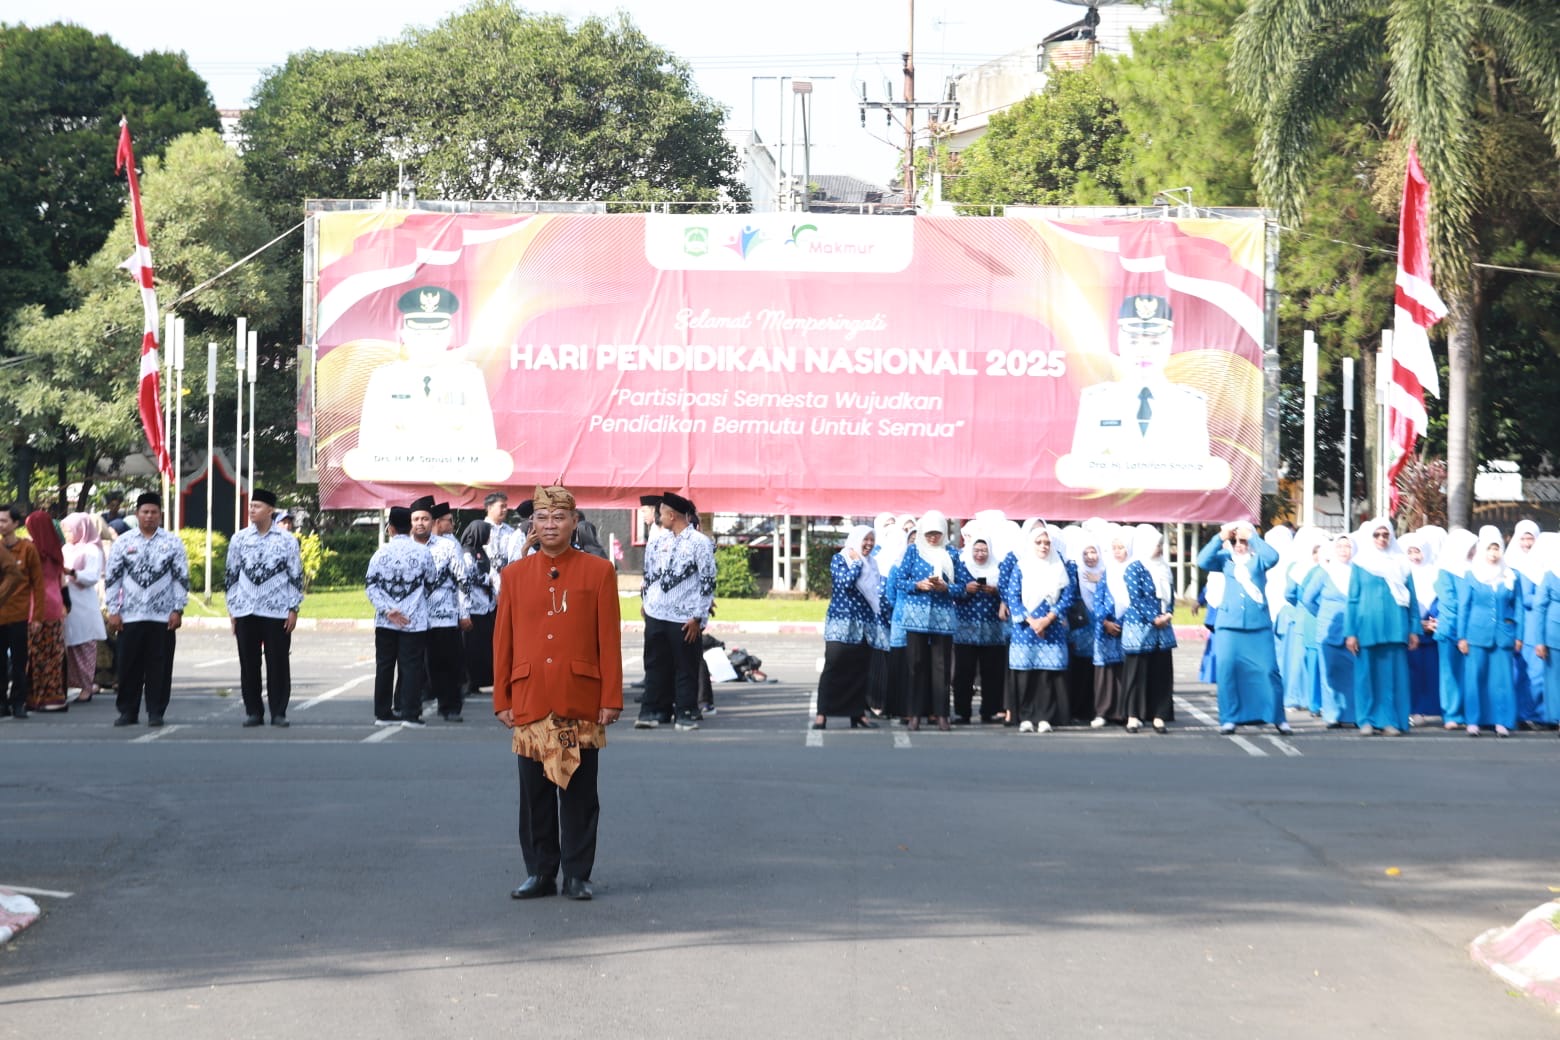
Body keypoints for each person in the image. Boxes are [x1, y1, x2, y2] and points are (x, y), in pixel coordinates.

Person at [494, 484, 622, 902]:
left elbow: (609, 639)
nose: (550, 525)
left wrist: (611, 698)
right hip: (530, 697)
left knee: (580, 793)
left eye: (559, 518)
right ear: (533, 523)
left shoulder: (598, 572)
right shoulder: (514, 575)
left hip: (579, 697)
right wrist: (502, 698)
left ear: (574, 522)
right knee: (534, 795)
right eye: (543, 518)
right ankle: (539, 872)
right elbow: (503, 642)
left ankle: (578, 874)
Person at [103, 493, 189, 727]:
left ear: (160, 515)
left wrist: (177, 610)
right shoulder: (124, 542)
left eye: (153, 512)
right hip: (130, 615)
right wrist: (114, 610)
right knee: (128, 665)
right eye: (145, 512)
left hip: (162, 616)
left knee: (159, 667)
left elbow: (181, 578)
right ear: (137, 514)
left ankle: (156, 711)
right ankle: (127, 712)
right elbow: (113, 578)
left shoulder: (172, 543)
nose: (149, 516)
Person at [1197, 521, 1290, 735]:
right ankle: (1229, 718)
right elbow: (1202, 560)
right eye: (1235, 541)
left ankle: (1278, 717)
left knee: (1268, 671)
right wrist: (1220, 538)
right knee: (1228, 671)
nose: (1239, 545)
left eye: (1243, 541)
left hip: (1258, 626)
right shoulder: (1225, 560)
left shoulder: (1259, 560)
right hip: (1229, 626)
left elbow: (1273, 557)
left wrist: (1254, 537)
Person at [224, 489, 304, 728]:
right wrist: (232, 608)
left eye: (257, 506)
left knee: (278, 662)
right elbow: (231, 576)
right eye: (250, 506)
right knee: (249, 664)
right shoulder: (239, 539)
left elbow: (296, 576)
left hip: (277, 610)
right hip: (246, 610)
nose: (252, 510)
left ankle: (278, 711)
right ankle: (253, 711)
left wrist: (293, 608)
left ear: (270, 510)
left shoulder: (286, 540)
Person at [636, 491, 715, 731]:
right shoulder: (659, 540)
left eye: (661, 513)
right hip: (656, 614)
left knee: (685, 666)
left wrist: (698, 617)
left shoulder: (700, 543)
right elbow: (648, 573)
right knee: (654, 664)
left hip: (685, 617)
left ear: (672, 515)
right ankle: (654, 711)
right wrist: (646, 601)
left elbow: (708, 580)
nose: (659, 517)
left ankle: (686, 712)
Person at [1344, 518, 1419, 736]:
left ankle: (1390, 720)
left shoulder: (1401, 563)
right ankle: (1366, 720)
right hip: (1367, 628)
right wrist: (1351, 632)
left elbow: (1411, 598)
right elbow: (1353, 599)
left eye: (1386, 535)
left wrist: (1414, 629)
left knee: (1391, 678)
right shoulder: (1361, 563)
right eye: (1377, 535)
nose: (1382, 539)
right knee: (1366, 677)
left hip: (1396, 627)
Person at [364, 505, 436, 727]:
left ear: (390, 528)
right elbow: (431, 582)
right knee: (411, 667)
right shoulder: (423, 552)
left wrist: (388, 609)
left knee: (384, 666)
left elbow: (370, 585)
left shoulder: (381, 553)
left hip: (386, 621)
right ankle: (410, 713)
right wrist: (410, 604)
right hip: (414, 621)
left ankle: (383, 713)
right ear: (410, 528)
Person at [1000, 521, 1074, 733]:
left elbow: (1067, 596)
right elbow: (1013, 596)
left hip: (1051, 627)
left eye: (1047, 543)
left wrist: (1048, 619)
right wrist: (1032, 621)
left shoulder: (1058, 567)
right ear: (1031, 544)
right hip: (1026, 629)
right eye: (1039, 542)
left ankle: (1044, 717)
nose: (1043, 546)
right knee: (1025, 674)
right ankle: (1025, 716)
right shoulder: (1021, 567)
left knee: (1046, 674)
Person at [893, 510, 959, 731]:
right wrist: (918, 585)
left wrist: (946, 587)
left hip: (942, 617)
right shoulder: (913, 551)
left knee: (941, 666)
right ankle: (914, 714)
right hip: (915, 617)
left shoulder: (951, 553)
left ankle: (941, 714)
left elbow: (962, 588)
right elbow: (900, 581)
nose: (933, 537)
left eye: (937, 533)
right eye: (929, 533)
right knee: (916, 665)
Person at [1458, 525, 1522, 737]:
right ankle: (1473, 721)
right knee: (1475, 678)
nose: (1493, 554)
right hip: (1476, 633)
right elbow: (1464, 607)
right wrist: (1462, 636)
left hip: (1503, 635)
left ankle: (1502, 721)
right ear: (1482, 550)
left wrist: (1518, 635)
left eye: (1497, 549)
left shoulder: (1511, 575)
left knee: (1501, 680)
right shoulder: (1472, 575)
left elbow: (1519, 606)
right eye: (1489, 549)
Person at [814, 525, 880, 729]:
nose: (868, 544)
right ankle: (822, 713)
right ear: (855, 540)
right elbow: (844, 583)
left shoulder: (873, 563)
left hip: (864, 624)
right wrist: (857, 564)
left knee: (859, 669)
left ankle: (857, 713)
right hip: (841, 623)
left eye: (871, 539)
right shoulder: (841, 559)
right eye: (865, 539)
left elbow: (876, 592)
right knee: (834, 666)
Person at [1119, 523, 1177, 734]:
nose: (1159, 548)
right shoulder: (1134, 568)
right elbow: (1136, 598)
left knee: (1161, 673)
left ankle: (1159, 715)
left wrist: (1168, 613)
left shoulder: (1163, 567)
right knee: (1137, 673)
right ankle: (1133, 716)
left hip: (1163, 629)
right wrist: (1154, 618)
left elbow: (1171, 595)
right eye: (1156, 544)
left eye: (1161, 544)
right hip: (1140, 629)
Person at [950, 524, 1007, 725]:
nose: (980, 554)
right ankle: (962, 712)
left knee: (992, 672)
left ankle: (989, 711)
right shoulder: (961, 564)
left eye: (984, 550)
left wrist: (996, 592)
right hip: (966, 627)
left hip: (992, 629)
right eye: (976, 550)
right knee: (963, 673)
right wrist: (966, 589)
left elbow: (1009, 591)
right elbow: (950, 589)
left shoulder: (999, 566)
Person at [1302, 534, 1358, 729]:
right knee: (1330, 674)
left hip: (1352, 632)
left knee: (1352, 673)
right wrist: (1322, 615)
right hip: (1328, 631)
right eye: (1340, 546)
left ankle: (1352, 714)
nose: (1344, 550)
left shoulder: (1357, 572)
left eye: (1347, 546)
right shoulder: (1324, 572)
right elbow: (1307, 598)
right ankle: (1332, 715)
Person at [423, 500, 471, 722]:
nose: (452, 524)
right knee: (426, 664)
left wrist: (464, 613)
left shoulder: (450, 546)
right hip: (419, 618)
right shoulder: (417, 545)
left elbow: (463, 580)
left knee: (449, 664)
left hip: (446, 616)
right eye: (449, 521)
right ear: (437, 522)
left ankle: (450, 707)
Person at [0, 504, 45, 719]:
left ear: (15, 524)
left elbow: (38, 585)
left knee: (19, 662)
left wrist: (37, 616)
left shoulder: (27, 549)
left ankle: (19, 701)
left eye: (4, 521)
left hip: (19, 615)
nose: (1, 525)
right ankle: (1, 703)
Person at [1433, 528, 1478, 730]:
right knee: (1449, 673)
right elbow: (1449, 601)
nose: (1474, 550)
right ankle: (1451, 713)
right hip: (1450, 628)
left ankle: (1470, 713)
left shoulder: (1476, 569)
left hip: (1472, 629)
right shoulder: (1445, 570)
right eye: (1471, 546)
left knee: (1468, 673)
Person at [23, 512, 68, 712]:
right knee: (54, 654)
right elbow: (61, 580)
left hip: (36, 605)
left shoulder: (31, 549)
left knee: (36, 655)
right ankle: (55, 697)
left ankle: (37, 698)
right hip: (56, 604)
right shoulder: (56, 550)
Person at [61, 512, 107, 702]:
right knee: (69, 648)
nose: (67, 534)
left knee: (85, 648)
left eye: (70, 530)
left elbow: (91, 576)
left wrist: (71, 573)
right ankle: (75, 683)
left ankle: (87, 687)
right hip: (66, 602)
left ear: (81, 529)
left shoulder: (91, 550)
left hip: (84, 604)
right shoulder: (66, 549)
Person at [1400, 527, 1445, 719]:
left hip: (1434, 630)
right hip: (1412, 631)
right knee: (1414, 671)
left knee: (1433, 671)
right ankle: (1415, 710)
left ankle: (1434, 708)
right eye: (1409, 552)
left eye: (1417, 551)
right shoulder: (1401, 575)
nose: (1414, 556)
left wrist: (1436, 621)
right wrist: (1419, 624)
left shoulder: (1435, 573)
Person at [1506, 520, 1548, 728]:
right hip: (1527, 626)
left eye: (1530, 538)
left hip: (1542, 625)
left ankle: (1541, 714)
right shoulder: (1512, 563)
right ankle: (1525, 714)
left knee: (1541, 672)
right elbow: (1524, 598)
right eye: (1522, 538)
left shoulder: (1545, 563)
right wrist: (1546, 596)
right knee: (1530, 673)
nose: (1526, 543)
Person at [1090, 525, 1131, 727]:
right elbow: (1098, 600)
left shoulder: (1135, 570)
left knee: (1124, 671)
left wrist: (1122, 623)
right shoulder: (1107, 572)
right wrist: (1105, 622)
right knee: (1105, 672)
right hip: (1105, 628)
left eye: (1121, 547)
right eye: (1114, 547)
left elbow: (1138, 601)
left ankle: (1123, 712)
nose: (1117, 552)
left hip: (1127, 628)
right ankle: (1103, 712)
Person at [459, 517, 499, 693]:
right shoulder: (467, 553)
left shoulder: (481, 551)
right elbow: (468, 576)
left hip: (486, 606)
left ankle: (479, 680)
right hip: (473, 605)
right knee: (471, 647)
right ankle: (469, 681)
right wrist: (488, 580)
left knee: (483, 646)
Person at [1525, 532, 1560, 735]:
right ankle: (1556, 718)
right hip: (1553, 633)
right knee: (1553, 678)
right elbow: (1539, 608)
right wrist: (1539, 640)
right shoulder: (1550, 575)